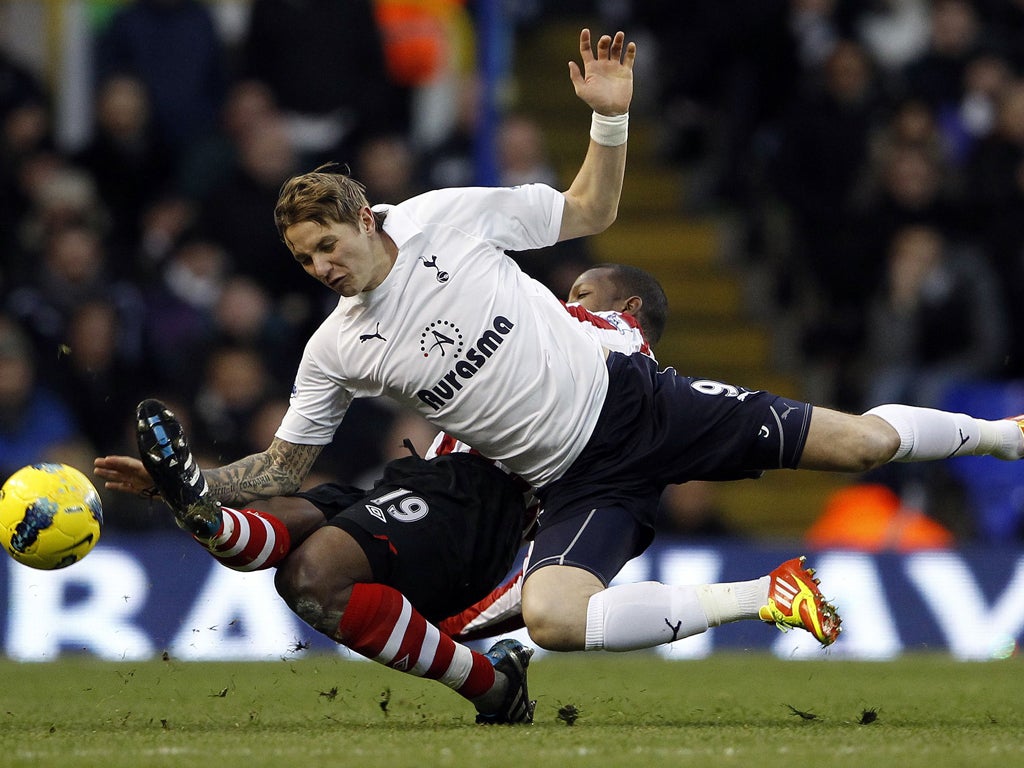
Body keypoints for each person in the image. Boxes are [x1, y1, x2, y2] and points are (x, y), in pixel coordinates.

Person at [95, 26, 1023, 717]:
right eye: (304, 262)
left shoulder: (450, 215)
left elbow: (589, 204)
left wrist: (610, 115)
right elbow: (287, 469)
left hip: (642, 405)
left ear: (368, 218)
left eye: (328, 246)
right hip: (575, 483)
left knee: (857, 444)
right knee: (557, 621)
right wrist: (194, 484)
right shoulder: (337, 348)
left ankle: (1005, 437)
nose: (322, 269)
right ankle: (767, 594)